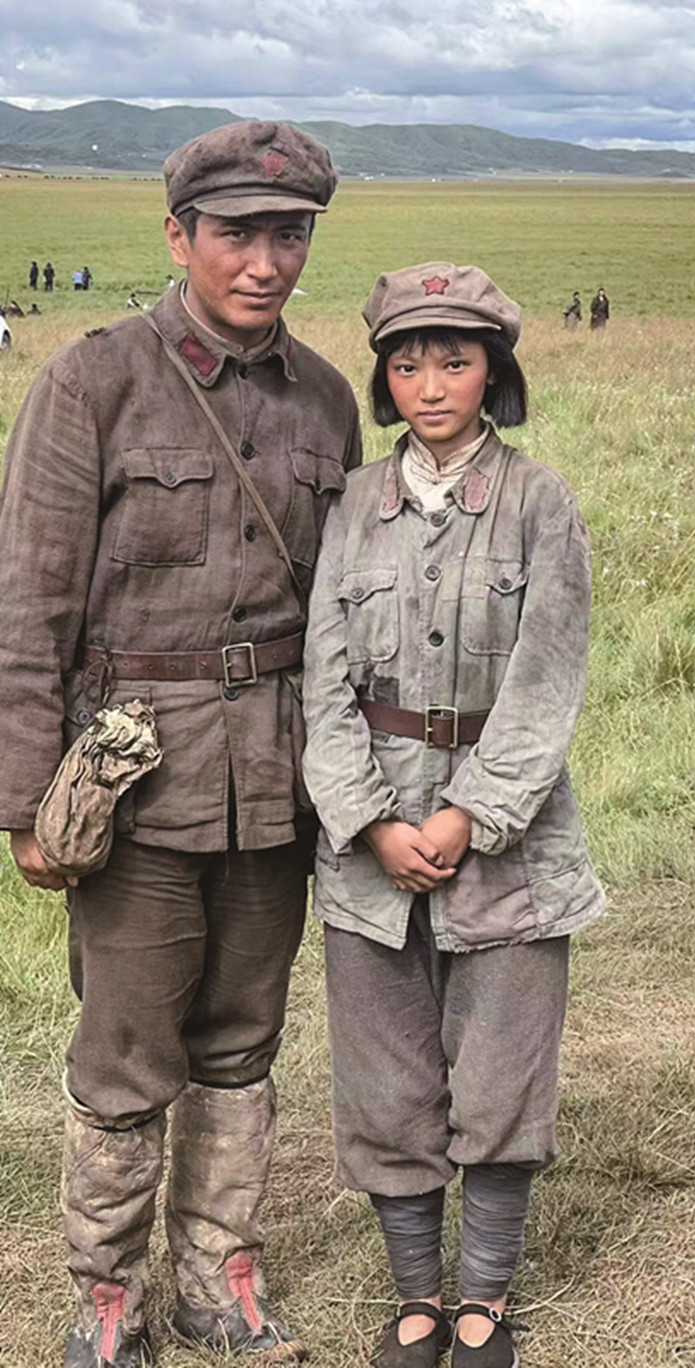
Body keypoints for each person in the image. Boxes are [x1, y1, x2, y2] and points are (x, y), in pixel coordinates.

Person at [0, 120, 361, 1368]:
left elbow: (343, 613)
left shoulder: (327, 399)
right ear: (177, 235)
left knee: (242, 1042)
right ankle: (107, 1298)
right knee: (124, 1050)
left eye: (289, 234)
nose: (265, 261)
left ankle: (219, 1281)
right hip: (133, 787)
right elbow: (28, 607)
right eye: (237, 234)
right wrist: (25, 805)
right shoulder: (92, 381)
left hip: (278, 781)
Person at [302, 263, 604, 1368]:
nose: (430, 386)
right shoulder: (350, 505)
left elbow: (547, 678)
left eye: (455, 362)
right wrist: (370, 821)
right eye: (407, 364)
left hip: (509, 838)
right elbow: (321, 682)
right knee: (385, 1074)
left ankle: (484, 1300)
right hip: (369, 841)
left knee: (503, 1069)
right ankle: (416, 1299)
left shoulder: (540, 502)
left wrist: (472, 814)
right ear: (384, 378)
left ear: (494, 374)